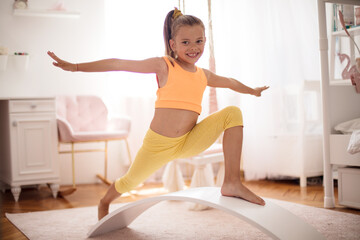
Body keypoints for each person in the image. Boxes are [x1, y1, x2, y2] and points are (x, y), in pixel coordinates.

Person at [48, 8, 269, 221]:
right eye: (185, 42)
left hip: (189, 140)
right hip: (158, 146)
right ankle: (104, 202)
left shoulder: (204, 75)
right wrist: (76, 66)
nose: (193, 47)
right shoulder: (165, 66)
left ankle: (231, 182)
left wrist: (252, 90)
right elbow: (118, 63)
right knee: (129, 182)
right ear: (173, 44)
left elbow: (229, 82)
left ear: (204, 41)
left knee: (233, 113)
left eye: (199, 41)